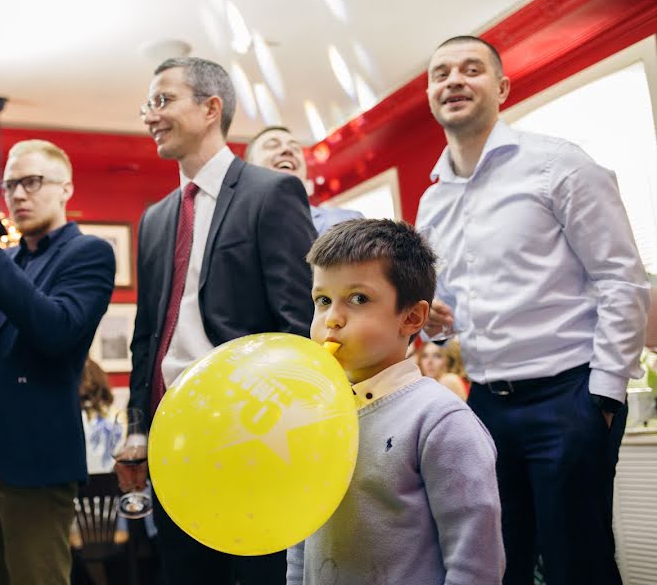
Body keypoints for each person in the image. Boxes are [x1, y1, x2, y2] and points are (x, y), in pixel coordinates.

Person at [417, 35, 650, 585]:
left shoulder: (558, 164)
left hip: (570, 398)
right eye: (440, 72)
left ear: (501, 88)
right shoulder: (431, 200)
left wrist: (604, 395)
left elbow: (622, 278)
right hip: (486, 406)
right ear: (430, 94)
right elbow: (444, 308)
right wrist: (432, 320)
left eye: (470, 69)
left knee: (578, 564)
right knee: (501, 563)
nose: (453, 80)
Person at [127, 57, 316, 585]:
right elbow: (148, 333)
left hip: (249, 434)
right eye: (148, 104)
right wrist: (137, 427)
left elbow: (297, 324)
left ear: (211, 108)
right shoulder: (156, 217)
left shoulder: (270, 193)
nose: (150, 116)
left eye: (162, 100)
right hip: (171, 440)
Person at [0, 139, 115, 585]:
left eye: (32, 182)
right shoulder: (3, 261)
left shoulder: (89, 253)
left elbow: (56, 332)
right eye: (10, 185)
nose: (18, 195)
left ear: (65, 188)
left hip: (35, 462)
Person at [287, 218, 504, 584]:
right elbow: (302, 533)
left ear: (412, 317)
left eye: (358, 299)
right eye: (322, 300)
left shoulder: (440, 419)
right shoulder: (315, 412)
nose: (333, 319)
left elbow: (475, 562)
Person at [245, 125, 363, 234]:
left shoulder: (348, 223)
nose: (287, 150)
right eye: (272, 145)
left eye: (295, 148)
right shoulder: (232, 230)